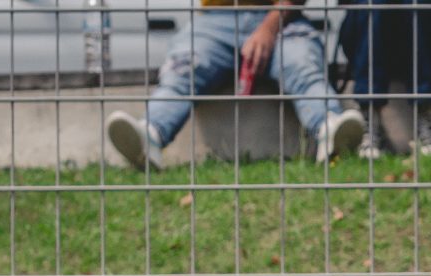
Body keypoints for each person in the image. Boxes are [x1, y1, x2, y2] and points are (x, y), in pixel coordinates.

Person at [105, 0, 365, 173]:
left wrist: (268, 28)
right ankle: (151, 134)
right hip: (216, 19)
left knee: (302, 66)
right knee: (183, 71)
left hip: (281, 17)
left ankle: (329, 128)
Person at [341, 0, 431, 159]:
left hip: (424, 28)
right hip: (369, 29)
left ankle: (426, 117)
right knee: (372, 4)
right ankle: (371, 121)